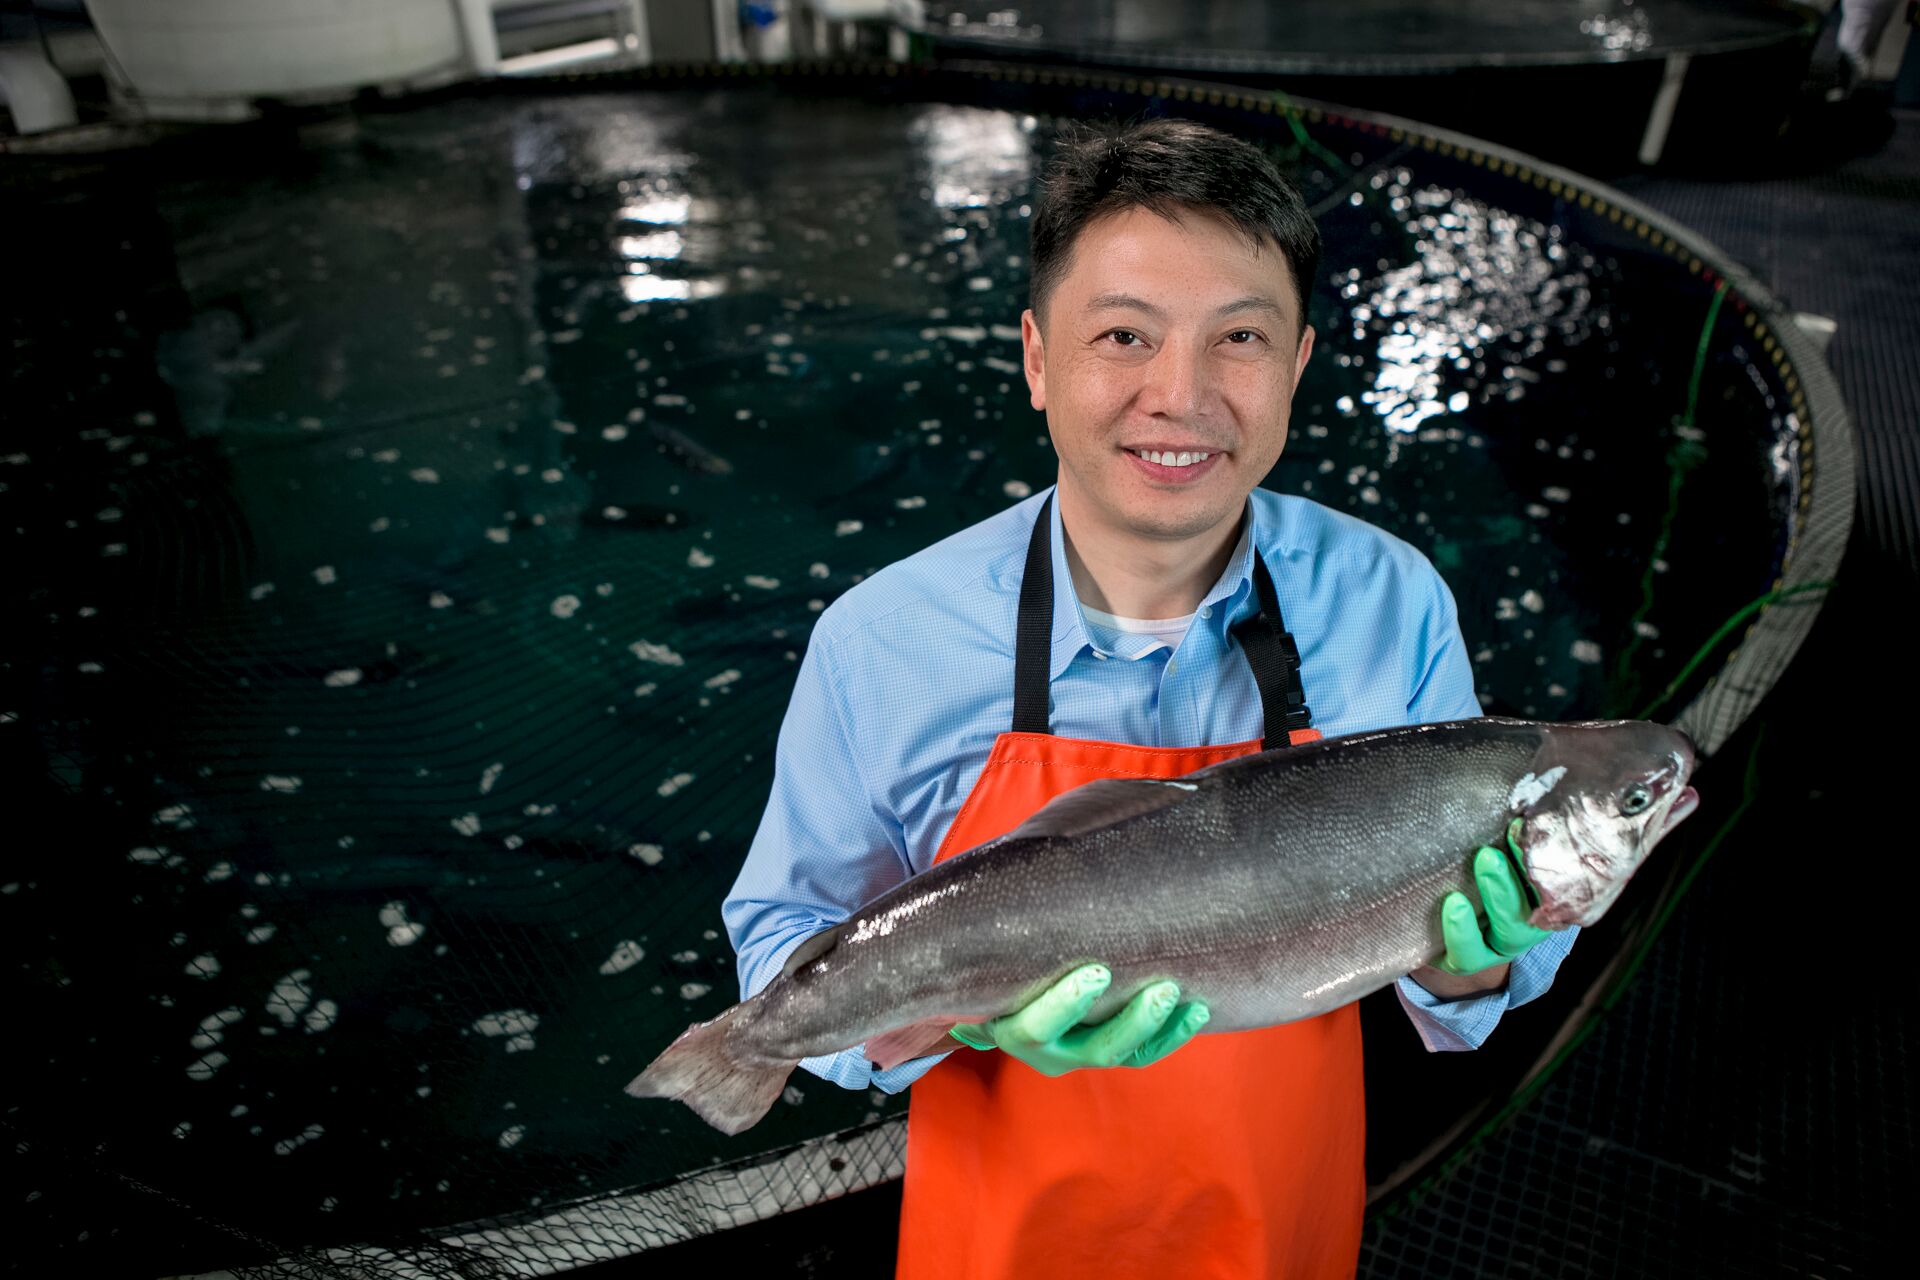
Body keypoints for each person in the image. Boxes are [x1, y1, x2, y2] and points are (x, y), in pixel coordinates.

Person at [723, 118, 1578, 1279]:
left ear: (1299, 366)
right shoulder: (880, 644)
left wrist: (1472, 958)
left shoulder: (1395, 602)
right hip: (1005, 1242)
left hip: (1280, 1226)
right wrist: (944, 1011)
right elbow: (778, 939)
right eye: (1124, 334)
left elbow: (1470, 978)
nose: (1180, 396)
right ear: (1036, 359)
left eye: (1241, 338)